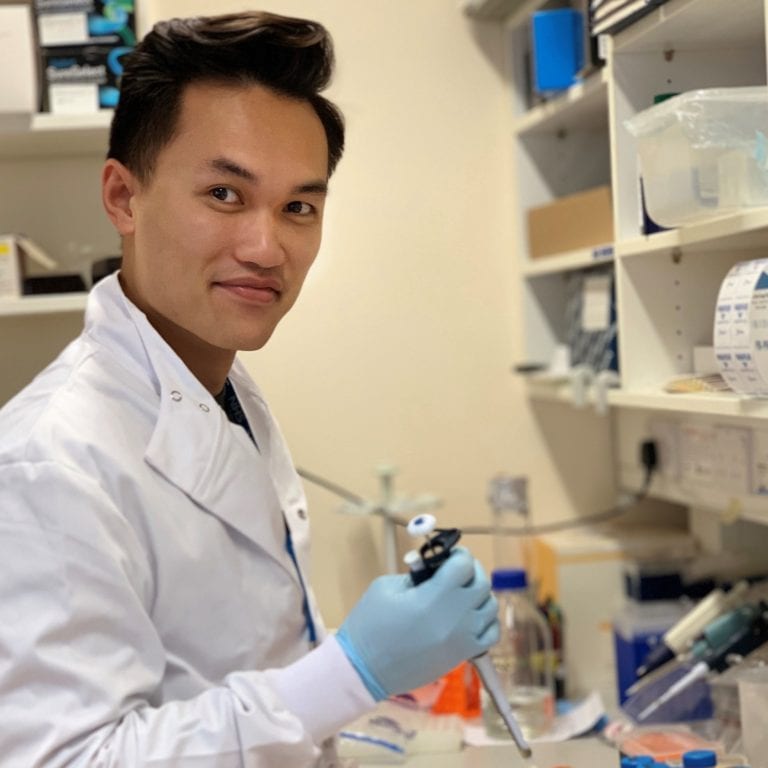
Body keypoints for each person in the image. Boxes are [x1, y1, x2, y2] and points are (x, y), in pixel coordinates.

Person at [0, 11, 499, 767]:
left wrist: (363, 670)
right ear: (123, 197)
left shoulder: (221, 388)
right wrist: (351, 671)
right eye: (226, 195)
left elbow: (236, 658)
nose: (267, 248)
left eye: (299, 206)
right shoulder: (49, 460)